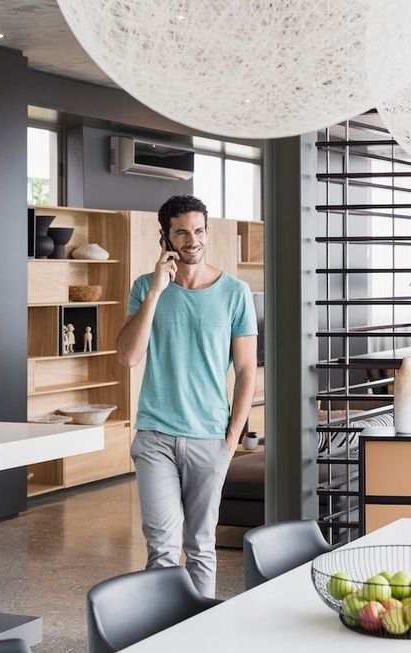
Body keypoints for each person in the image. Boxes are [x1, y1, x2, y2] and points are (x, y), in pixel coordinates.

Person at [117, 194, 257, 598]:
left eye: (198, 230)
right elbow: (128, 357)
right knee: (161, 548)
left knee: (200, 546)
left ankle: (202, 635)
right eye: (181, 232)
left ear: (207, 232)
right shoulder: (145, 288)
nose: (192, 239)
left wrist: (231, 438)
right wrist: (157, 290)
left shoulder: (235, 292)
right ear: (166, 238)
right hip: (155, 437)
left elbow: (247, 370)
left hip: (209, 438)